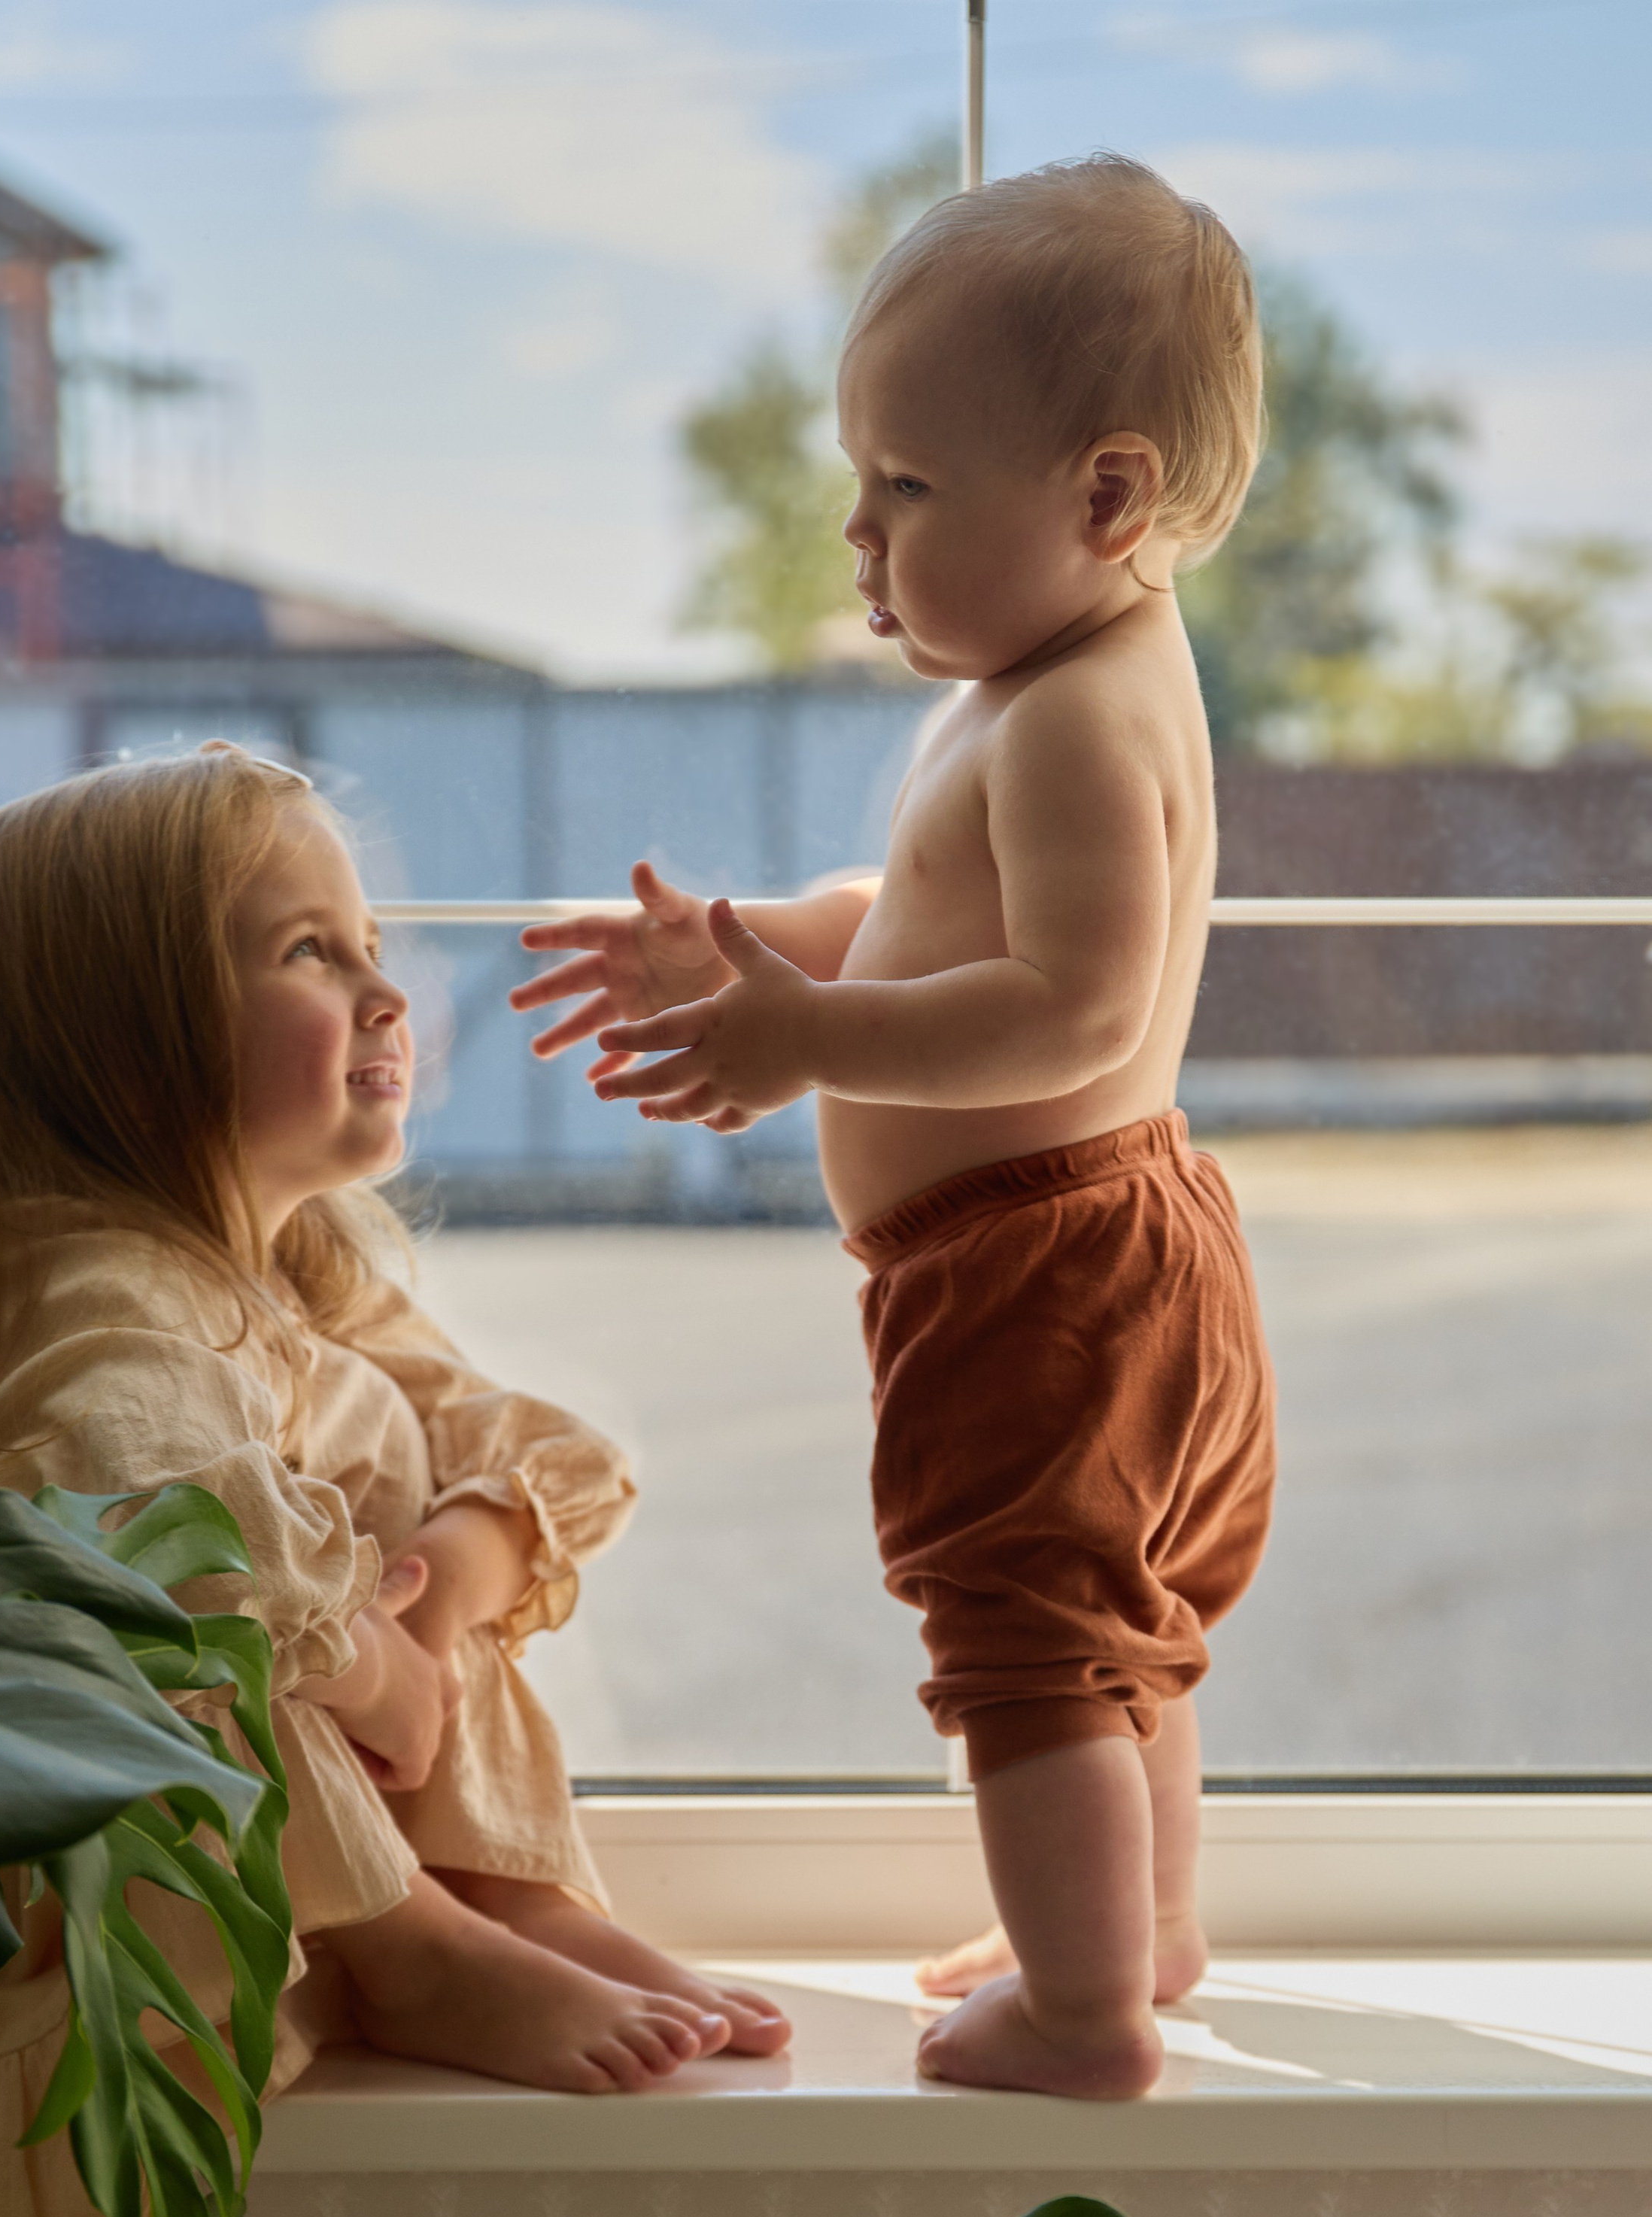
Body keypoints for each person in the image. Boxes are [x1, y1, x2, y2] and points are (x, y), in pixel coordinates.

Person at [0, 745, 788, 2217]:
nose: (388, 992)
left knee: (402, 1537)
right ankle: (406, 1938)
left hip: (268, 1794)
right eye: (309, 953)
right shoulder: (76, 1291)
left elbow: (531, 1447)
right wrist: (373, 1664)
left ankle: (495, 1895)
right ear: (121, 1035)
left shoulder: (283, 1268)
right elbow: (157, 1533)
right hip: (8, 1880)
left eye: (371, 940)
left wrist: (440, 1599)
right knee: (185, 1634)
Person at [510, 156, 1274, 2102]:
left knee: (1021, 1632)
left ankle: (1089, 2011)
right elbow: (943, 912)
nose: (857, 536)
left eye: (909, 491)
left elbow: (1074, 1008)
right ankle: (1142, 1923)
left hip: (1036, 1263)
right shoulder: (1064, 678)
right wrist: (760, 947)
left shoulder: (1078, 723)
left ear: (1107, 496)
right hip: (1112, 1240)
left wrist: (805, 1041)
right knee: (1117, 1619)